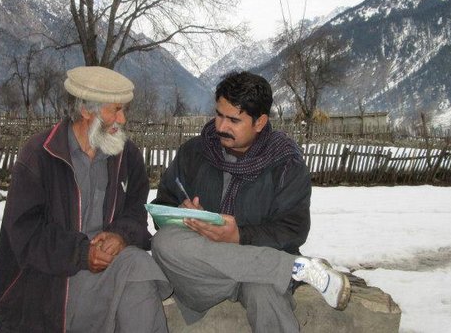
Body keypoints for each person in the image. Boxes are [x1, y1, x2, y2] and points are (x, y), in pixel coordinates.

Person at [150, 71, 351, 332]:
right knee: (164, 242)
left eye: (234, 120)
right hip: (203, 262)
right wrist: (181, 214)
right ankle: (290, 269)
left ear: (260, 122)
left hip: (254, 261)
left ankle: (274, 269)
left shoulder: (285, 163)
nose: (221, 127)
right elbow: (161, 207)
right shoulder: (194, 151)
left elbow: (293, 229)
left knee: (264, 292)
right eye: (219, 114)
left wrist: (240, 236)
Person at [0, 66, 171, 332]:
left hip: (110, 266)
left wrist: (120, 236)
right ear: (87, 111)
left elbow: (135, 213)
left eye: (124, 110)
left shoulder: (127, 156)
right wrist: (82, 253)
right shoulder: (39, 156)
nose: (122, 119)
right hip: (52, 278)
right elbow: (25, 235)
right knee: (135, 278)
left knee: (137, 267)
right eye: (115, 110)